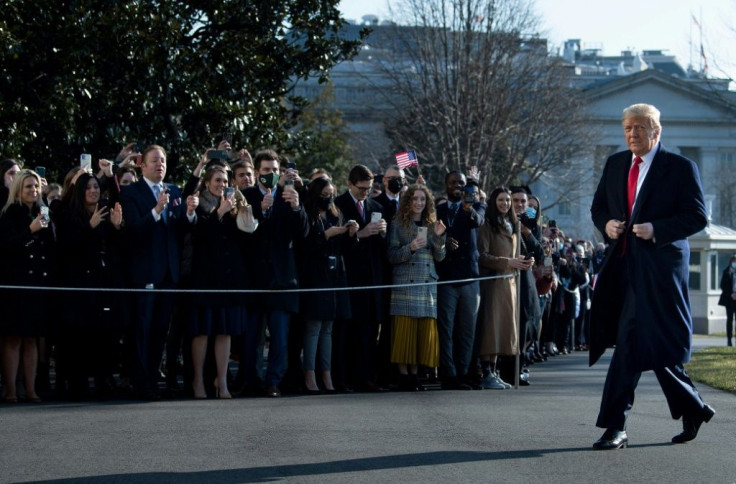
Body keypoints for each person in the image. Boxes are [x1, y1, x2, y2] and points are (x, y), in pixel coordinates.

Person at [590, 103, 712, 450]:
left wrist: (657, 228)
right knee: (637, 343)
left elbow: (697, 217)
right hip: (624, 269)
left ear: (656, 132)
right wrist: (607, 225)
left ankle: (621, 425)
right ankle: (684, 410)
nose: (632, 134)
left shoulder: (679, 167)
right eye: (627, 128)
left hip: (660, 270)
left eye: (639, 128)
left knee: (647, 344)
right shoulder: (615, 164)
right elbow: (599, 207)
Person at [118, 145, 198, 400]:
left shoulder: (173, 190)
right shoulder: (131, 192)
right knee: (142, 329)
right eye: (154, 161)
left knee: (161, 330)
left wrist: (189, 213)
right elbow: (134, 229)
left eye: (163, 161)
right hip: (145, 273)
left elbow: (179, 229)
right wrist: (156, 210)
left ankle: (153, 379)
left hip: (168, 274)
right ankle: (139, 381)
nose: (160, 165)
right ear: (143, 166)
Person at [242, 149, 308, 398]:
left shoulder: (288, 195)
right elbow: (243, 234)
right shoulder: (246, 196)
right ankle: (251, 380)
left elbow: (302, 233)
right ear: (257, 172)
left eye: (275, 170)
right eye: (266, 170)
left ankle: (273, 381)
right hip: (255, 279)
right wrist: (259, 210)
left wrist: (296, 207)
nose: (271, 174)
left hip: (282, 279)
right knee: (252, 337)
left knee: (279, 338)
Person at [52, 172, 125, 399]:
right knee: (78, 339)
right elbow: (66, 249)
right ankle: (77, 384)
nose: (93, 191)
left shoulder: (104, 211)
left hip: (102, 283)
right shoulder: (69, 214)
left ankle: (103, 381)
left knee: (103, 336)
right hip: (78, 286)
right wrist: (89, 227)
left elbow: (116, 248)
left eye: (96, 187)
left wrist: (116, 227)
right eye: (89, 187)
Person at [187, 166, 247, 399]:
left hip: (228, 277)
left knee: (225, 331)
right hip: (204, 277)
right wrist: (219, 213)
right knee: (202, 331)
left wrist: (237, 209)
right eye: (217, 180)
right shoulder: (198, 202)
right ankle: (197, 379)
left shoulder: (234, 202)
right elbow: (199, 235)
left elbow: (244, 234)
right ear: (207, 182)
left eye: (224, 180)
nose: (221, 184)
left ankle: (222, 381)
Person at [0, 170, 55, 403]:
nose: (33, 191)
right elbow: (7, 246)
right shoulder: (10, 213)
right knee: (13, 338)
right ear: (18, 190)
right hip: (17, 282)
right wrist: (30, 231)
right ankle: (11, 389)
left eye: (35, 187)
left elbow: (51, 247)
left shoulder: (44, 212)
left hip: (38, 284)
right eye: (28, 187)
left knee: (32, 339)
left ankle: (31, 390)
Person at [299, 177, 358, 393]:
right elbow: (304, 246)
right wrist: (326, 235)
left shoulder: (336, 214)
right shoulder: (308, 215)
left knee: (328, 329)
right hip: (314, 276)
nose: (329, 199)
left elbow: (345, 249)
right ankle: (310, 374)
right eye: (324, 195)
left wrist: (351, 234)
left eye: (331, 195)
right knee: (314, 327)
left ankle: (327, 374)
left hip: (334, 275)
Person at [334, 164, 389, 392]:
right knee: (346, 332)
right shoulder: (338, 205)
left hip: (372, 279)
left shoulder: (376, 206)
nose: (365, 193)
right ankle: (343, 378)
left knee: (369, 331)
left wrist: (383, 232)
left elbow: (383, 248)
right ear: (350, 184)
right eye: (361, 188)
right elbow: (335, 242)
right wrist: (360, 234)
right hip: (348, 277)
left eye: (368, 188)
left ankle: (367, 376)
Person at [387, 184, 446, 390]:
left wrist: (439, 237)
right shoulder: (397, 224)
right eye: (414, 199)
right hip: (405, 282)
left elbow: (440, 256)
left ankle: (417, 373)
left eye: (422, 199)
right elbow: (392, 256)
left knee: (422, 332)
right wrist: (410, 247)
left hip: (427, 283)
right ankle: (404, 375)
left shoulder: (433, 224)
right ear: (407, 201)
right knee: (405, 331)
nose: (419, 203)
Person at [476, 187, 533, 389]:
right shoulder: (487, 225)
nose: (505, 204)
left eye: (507, 200)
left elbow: (516, 254)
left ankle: (494, 369)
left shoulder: (513, 225)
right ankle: (486, 371)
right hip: (493, 282)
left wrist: (524, 262)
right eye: (501, 200)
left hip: (510, 284)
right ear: (494, 201)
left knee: (503, 329)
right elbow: (482, 255)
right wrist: (507, 262)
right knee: (491, 328)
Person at [435, 171, 485, 390]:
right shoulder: (438, 210)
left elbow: (478, 221)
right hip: (446, 277)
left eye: (462, 184)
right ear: (446, 185)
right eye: (453, 182)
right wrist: (444, 240)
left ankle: (464, 373)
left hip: (469, 278)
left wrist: (468, 207)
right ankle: (449, 374)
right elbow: (432, 235)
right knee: (446, 329)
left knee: (467, 330)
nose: (457, 186)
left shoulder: (476, 207)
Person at [717, 254, 736, 347]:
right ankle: (729, 339)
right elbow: (723, 285)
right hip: (729, 300)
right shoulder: (727, 272)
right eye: (734, 261)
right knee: (730, 320)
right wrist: (731, 294)